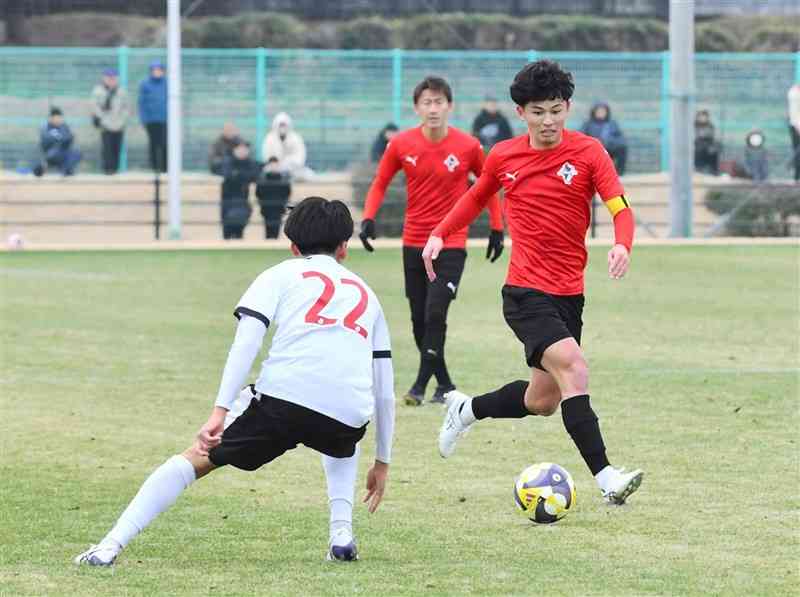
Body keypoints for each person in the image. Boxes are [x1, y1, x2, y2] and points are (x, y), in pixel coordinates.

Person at [74, 196, 396, 566]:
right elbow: (384, 388)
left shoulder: (279, 274)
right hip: (349, 415)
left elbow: (247, 342)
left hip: (282, 402)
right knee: (341, 439)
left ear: (293, 246)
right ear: (344, 248)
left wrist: (220, 410)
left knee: (194, 459)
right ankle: (342, 538)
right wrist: (383, 461)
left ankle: (109, 546)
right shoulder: (368, 295)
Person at [422, 60, 643, 505]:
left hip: (569, 296)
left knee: (542, 400)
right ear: (520, 112)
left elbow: (620, 206)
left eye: (556, 110)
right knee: (575, 369)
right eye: (538, 112)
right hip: (525, 292)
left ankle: (466, 410)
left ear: (568, 108)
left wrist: (622, 245)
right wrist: (439, 234)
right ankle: (607, 480)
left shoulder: (589, 153)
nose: (548, 122)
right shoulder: (504, 156)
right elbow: (474, 198)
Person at [360, 76, 505, 406]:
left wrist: (497, 227)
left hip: (452, 244)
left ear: (450, 106)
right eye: (427, 102)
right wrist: (368, 217)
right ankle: (445, 385)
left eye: (439, 102)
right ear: (417, 108)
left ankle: (418, 387)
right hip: (413, 242)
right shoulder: (401, 144)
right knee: (418, 319)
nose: (433, 108)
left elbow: (487, 186)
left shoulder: (468, 146)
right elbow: (380, 182)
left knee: (435, 313)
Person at [90, 67, 129, 175]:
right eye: (108, 77)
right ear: (104, 78)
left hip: (119, 123)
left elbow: (126, 107)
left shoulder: (121, 91)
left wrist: (122, 120)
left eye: (113, 78)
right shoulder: (98, 90)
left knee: (117, 147)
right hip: (105, 123)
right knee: (107, 147)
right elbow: (94, 106)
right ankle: (107, 170)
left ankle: (115, 170)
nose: (111, 80)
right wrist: (102, 118)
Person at [220, 140, 260, 240]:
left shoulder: (251, 163)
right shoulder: (228, 161)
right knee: (227, 231)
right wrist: (242, 175)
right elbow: (228, 175)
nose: (242, 151)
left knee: (239, 231)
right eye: (240, 148)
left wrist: (238, 174)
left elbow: (255, 175)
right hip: (228, 201)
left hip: (243, 201)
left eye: (245, 149)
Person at [580, 102, 628, 175]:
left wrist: (609, 142)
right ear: (594, 112)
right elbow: (581, 137)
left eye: (603, 111)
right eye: (598, 111)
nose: (600, 113)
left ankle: (619, 173)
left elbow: (620, 138)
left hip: (609, 148)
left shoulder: (612, 124)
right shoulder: (588, 124)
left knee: (622, 148)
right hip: (593, 149)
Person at [33, 107, 81, 176]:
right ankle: (43, 166)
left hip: (64, 152)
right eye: (55, 118)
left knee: (76, 152)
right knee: (54, 153)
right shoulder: (46, 127)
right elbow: (46, 141)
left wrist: (61, 139)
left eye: (59, 118)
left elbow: (69, 138)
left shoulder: (64, 127)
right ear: (51, 118)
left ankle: (66, 170)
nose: (57, 120)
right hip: (51, 153)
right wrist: (59, 139)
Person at [138, 60, 167, 173]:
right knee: (153, 144)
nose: (157, 72)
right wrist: (144, 118)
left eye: (159, 70)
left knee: (165, 143)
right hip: (151, 120)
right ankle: (155, 167)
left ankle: (166, 167)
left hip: (165, 119)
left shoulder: (167, 83)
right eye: (155, 70)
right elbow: (142, 103)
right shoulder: (145, 84)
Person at [261, 112, 310, 179]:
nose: (282, 127)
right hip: (274, 169)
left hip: (292, 169)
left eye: (284, 125)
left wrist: (287, 163)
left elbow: (300, 157)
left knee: (307, 175)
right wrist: (275, 165)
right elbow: (266, 156)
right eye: (280, 125)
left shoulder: (296, 138)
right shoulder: (269, 138)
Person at [256, 156, 292, 239]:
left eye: (275, 165)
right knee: (267, 229)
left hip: (278, 208)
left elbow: (287, 193)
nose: (273, 167)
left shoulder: (283, 179)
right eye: (271, 165)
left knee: (276, 229)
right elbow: (258, 193)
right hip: (266, 208)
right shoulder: (263, 178)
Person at [694, 109, 721, 176]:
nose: (703, 118)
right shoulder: (694, 125)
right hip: (697, 144)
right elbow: (696, 137)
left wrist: (713, 144)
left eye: (704, 116)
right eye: (701, 116)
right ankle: (699, 168)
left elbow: (712, 137)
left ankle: (713, 170)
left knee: (713, 151)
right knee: (700, 149)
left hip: (708, 144)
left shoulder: (710, 125)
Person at [788, 82, 800, 182]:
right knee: (797, 151)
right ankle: (796, 176)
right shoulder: (794, 93)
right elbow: (794, 114)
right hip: (796, 126)